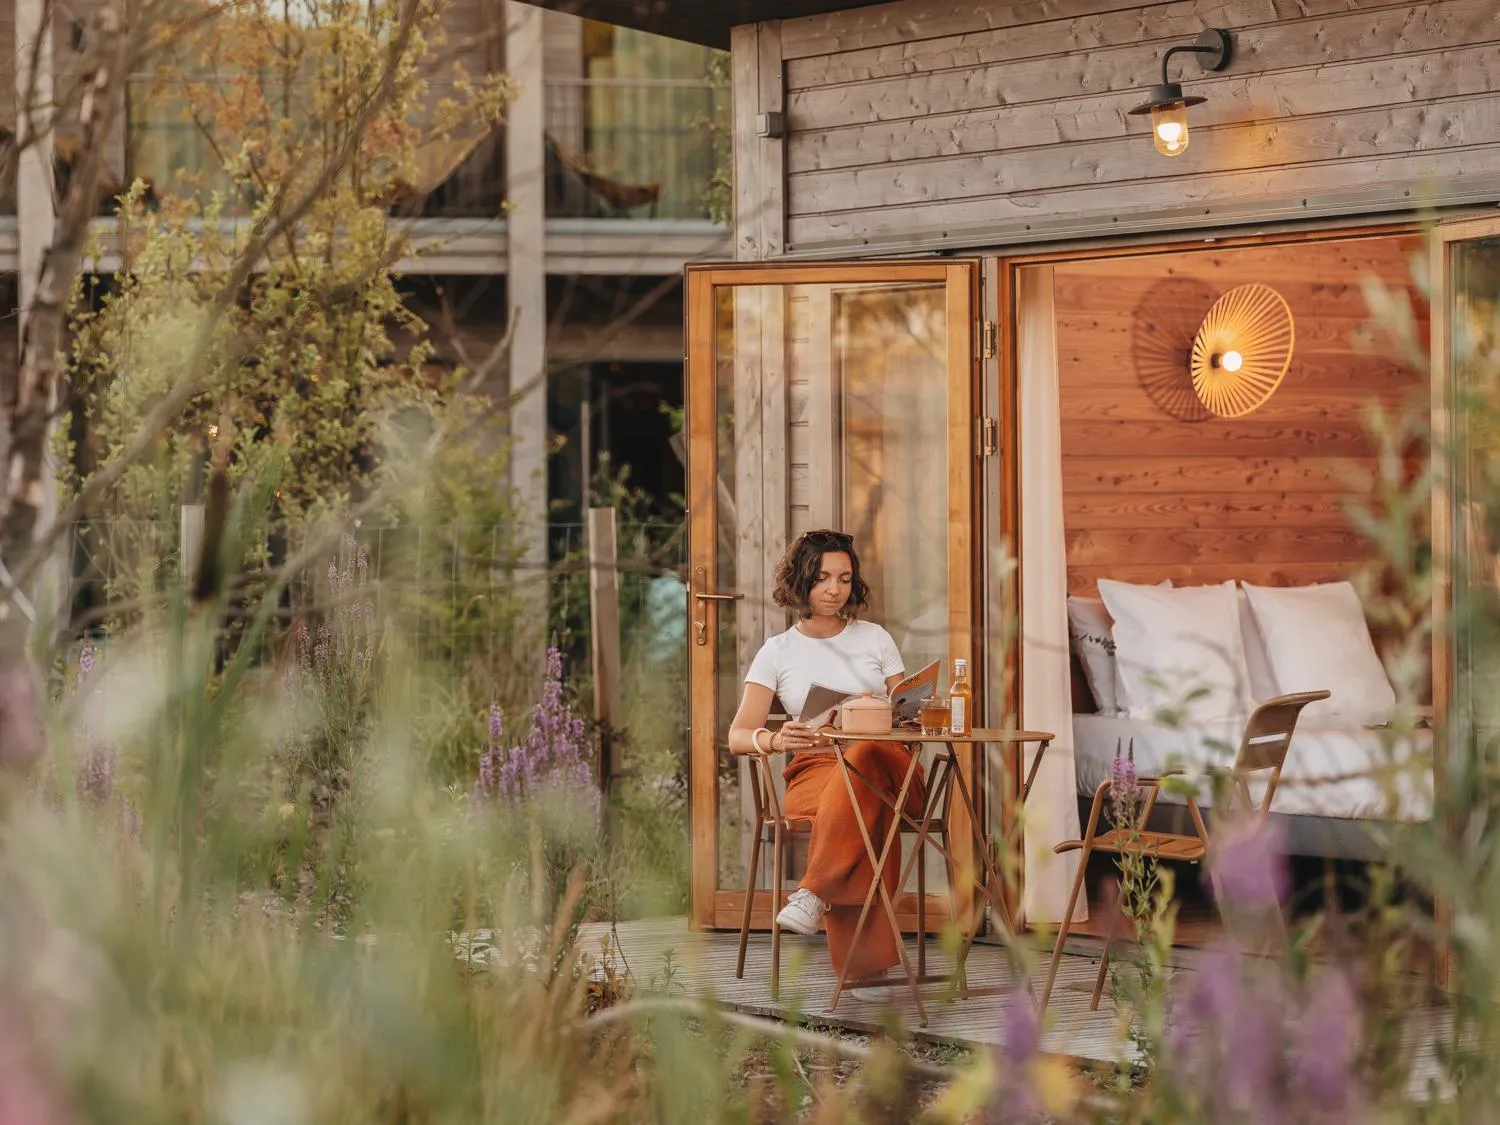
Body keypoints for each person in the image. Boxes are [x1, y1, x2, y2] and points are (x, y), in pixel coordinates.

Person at [728, 529, 923, 1000]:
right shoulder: (778, 651)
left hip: (889, 764)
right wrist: (775, 738)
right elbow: (738, 735)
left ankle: (813, 891)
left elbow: (908, 712)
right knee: (862, 805)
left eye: (843, 578)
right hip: (816, 768)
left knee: (865, 759)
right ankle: (866, 967)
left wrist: (880, 709)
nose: (834, 589)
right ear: (800, 583)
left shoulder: (875, 638)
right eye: (822, 579)